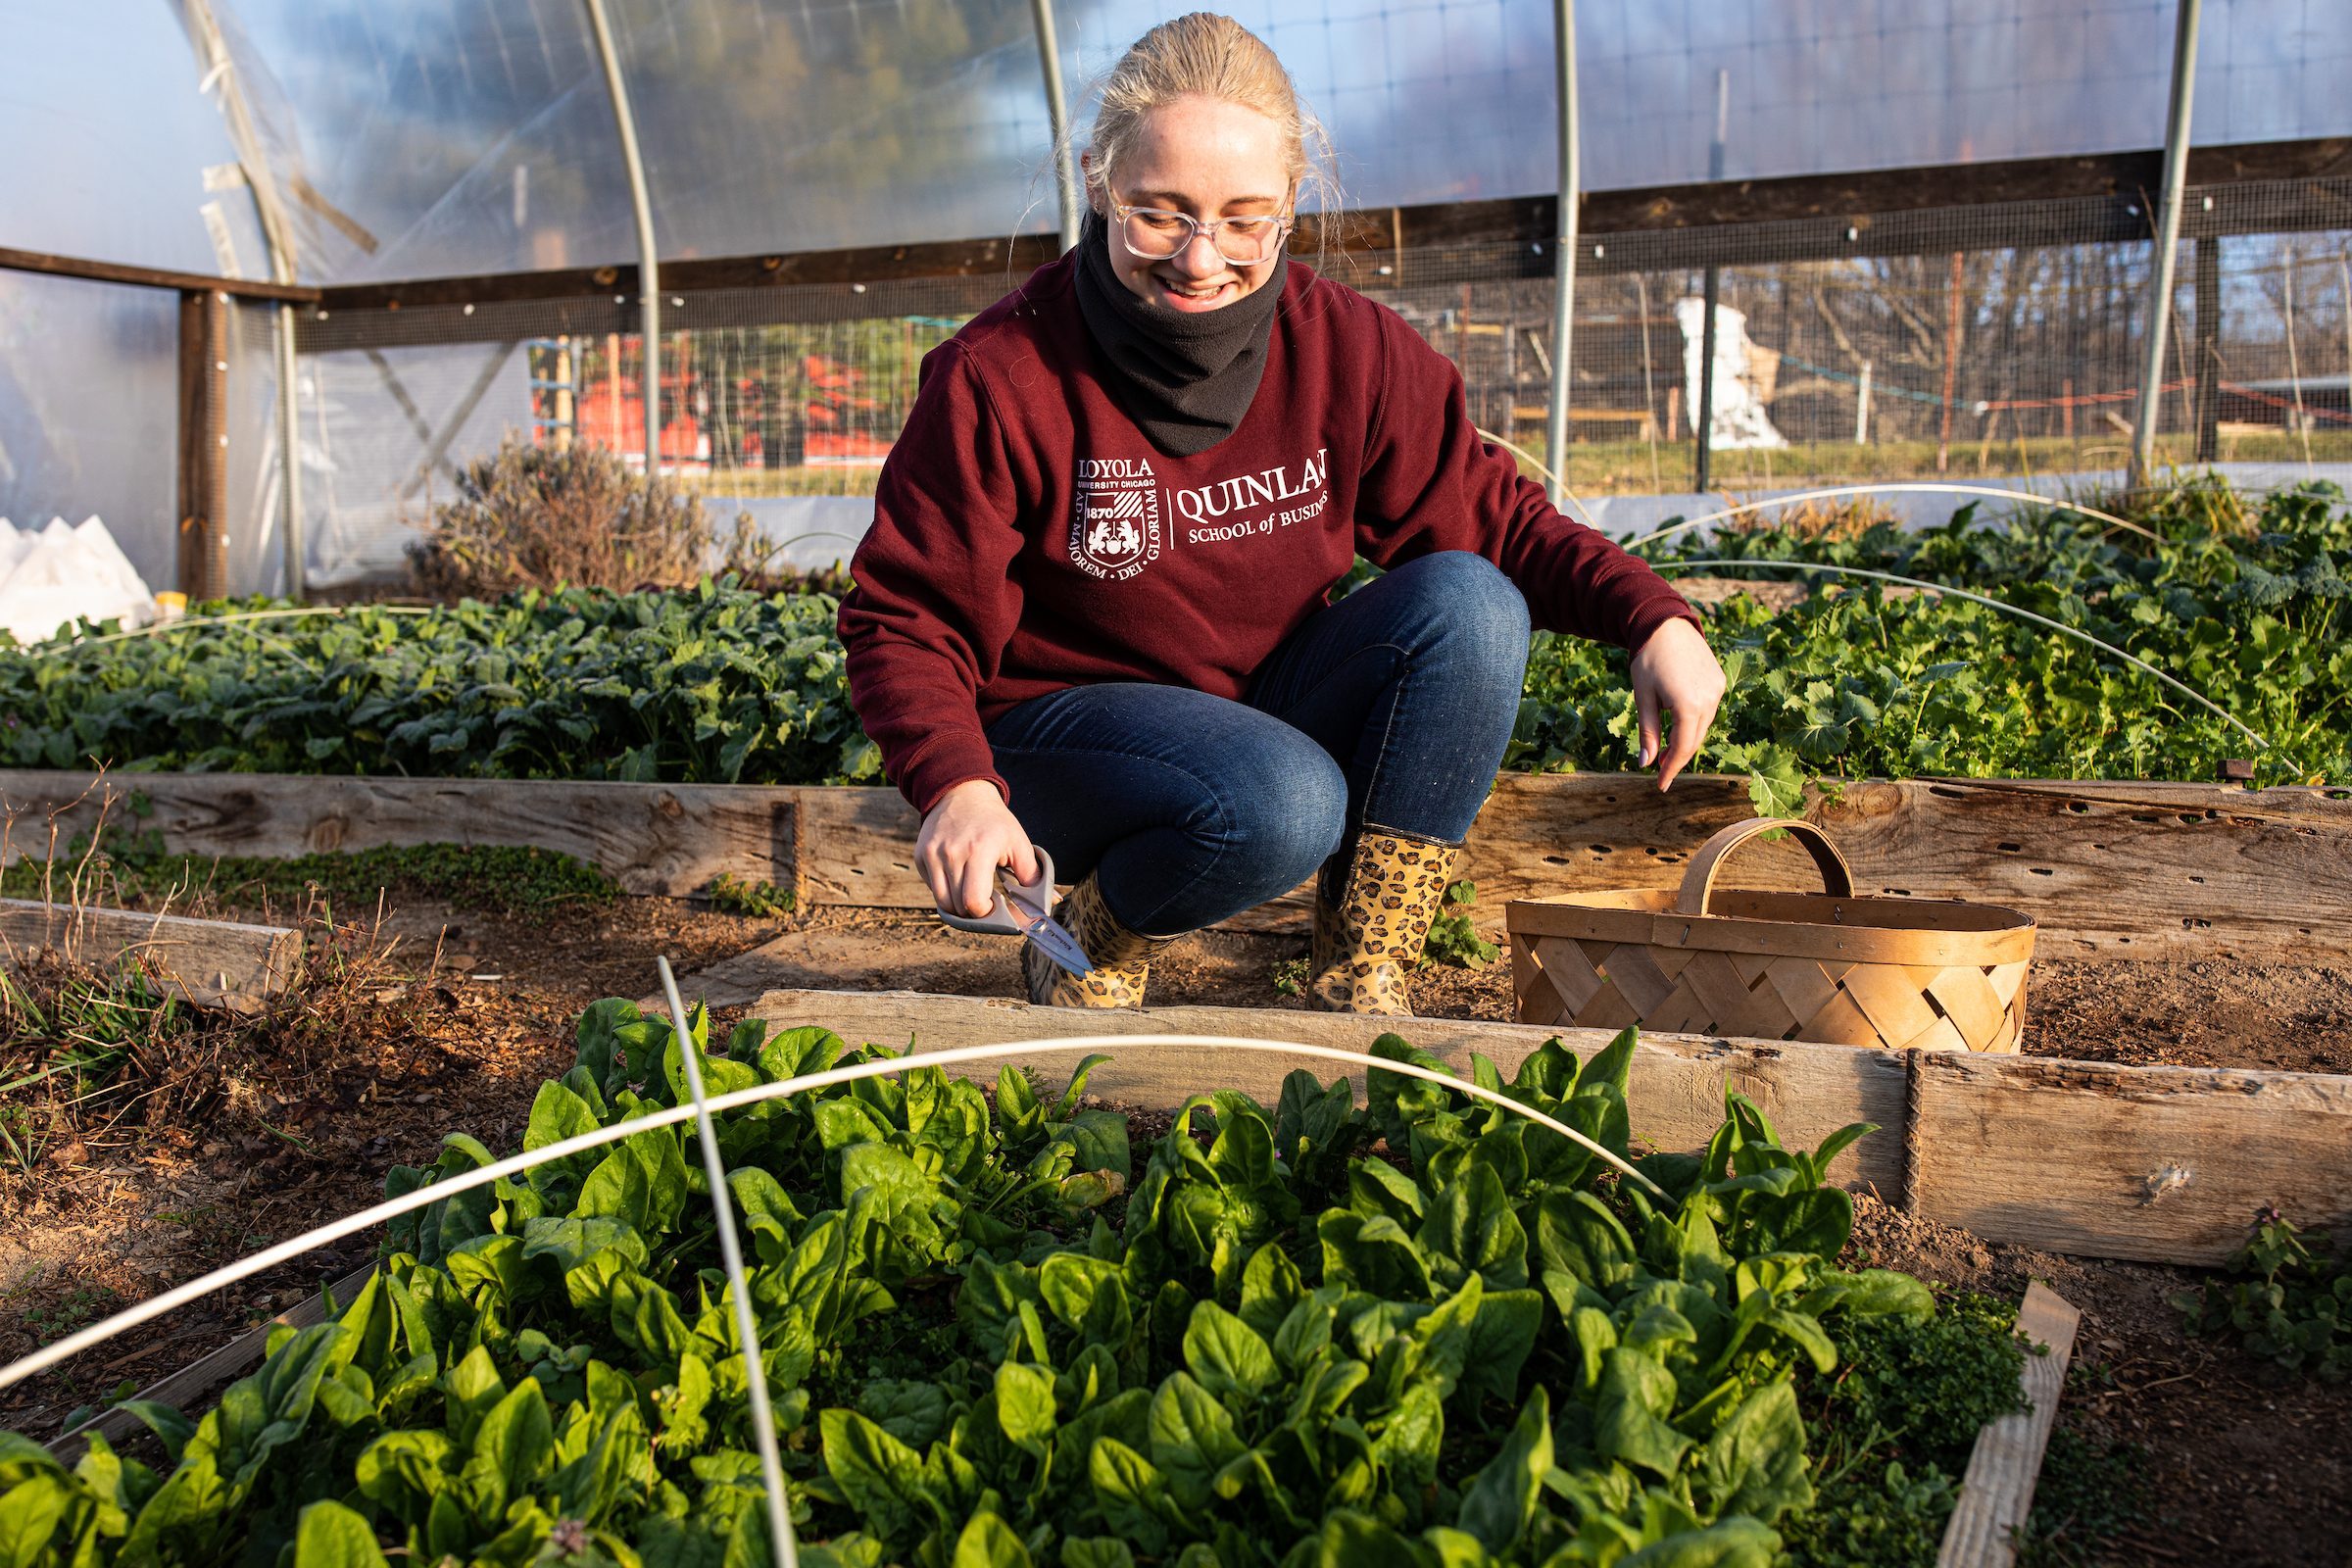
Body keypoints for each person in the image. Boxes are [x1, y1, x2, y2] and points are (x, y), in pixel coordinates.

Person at [840, 13, 1725, 1014]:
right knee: (1285, 799)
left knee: (1471, 603)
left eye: (1244, 217)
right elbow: (904, 614)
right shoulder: (1001, 377)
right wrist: (956, 786)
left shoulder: (1351, 352)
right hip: (1063, 739)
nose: (1201, 259)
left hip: (1250, 717)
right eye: (1159, 214)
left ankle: (1361, 970)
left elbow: (1494, 520)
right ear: (1097, 180)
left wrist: (1653, 616)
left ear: (1292, 203)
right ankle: (1093, 933)